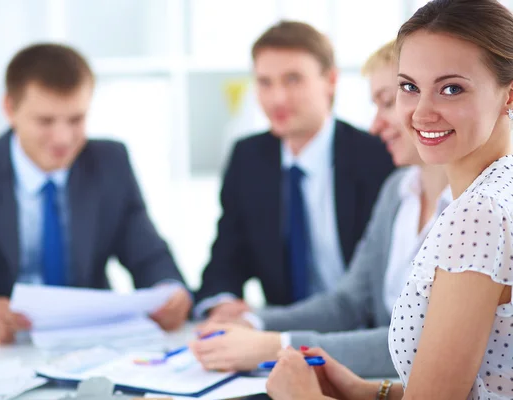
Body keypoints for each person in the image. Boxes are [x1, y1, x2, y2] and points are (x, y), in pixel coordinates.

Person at [266, 0, 513, 398]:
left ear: (509, 95)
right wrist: (370, 392)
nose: (421, 112)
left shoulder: (478, 214)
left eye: (451, 88)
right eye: (409, 87)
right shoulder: (494, 192)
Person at [190, 40, 450, 378]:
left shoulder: (466, 204)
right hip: (375, 378)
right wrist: (254, 321)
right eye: (265, 82)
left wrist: (278, 345)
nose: (376, 124)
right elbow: (349, 301)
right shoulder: (398, 190)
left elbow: (423, 344)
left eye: (389, 102)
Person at [0, 43, 192, 345]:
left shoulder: (110, 162)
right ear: (10, 109)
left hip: (91, 346)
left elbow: (149, 256)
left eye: (76, 119)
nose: (63, 139)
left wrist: (170, 291)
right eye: (45, 121)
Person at [194, 21, 395, 321]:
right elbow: (226, 260)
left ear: (330, 80)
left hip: (367, 331)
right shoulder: (248, 159)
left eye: (293, 80)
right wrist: (222, 303)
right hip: (284, 334)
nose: (277, 99)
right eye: (265, 82)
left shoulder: (379, 155)